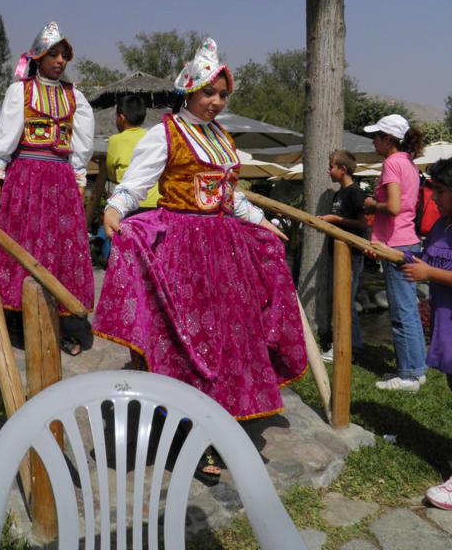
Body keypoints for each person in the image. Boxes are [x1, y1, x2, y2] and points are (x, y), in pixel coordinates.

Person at [93, 38, 307, 484]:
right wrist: (114, 209)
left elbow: (230, 196)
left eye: (223, 94)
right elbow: (136, 183)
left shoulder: (223, 139)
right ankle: (188, 433)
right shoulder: (166, 133)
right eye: (209, 92)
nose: (217, 101)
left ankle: (221, 418)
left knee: (229, 338)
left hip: (225, 251)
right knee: (190, 341)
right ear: (188, 90)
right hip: (183, 252)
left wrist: (261, 222)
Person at [0, 21, 95, 356]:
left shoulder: (75, 97)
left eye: (63, 56)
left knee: (59, 247)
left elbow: (80, 145)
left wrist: (79, 179)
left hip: (61, 180)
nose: (59, 61)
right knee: (23, 243)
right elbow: (6, 136)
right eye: (52, 54)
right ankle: (17, 317)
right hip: (26, 178)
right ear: (38, 57)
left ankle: (57, 319)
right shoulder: (21, 91)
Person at [400, 158, 452, 508]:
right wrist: (394, 255)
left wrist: (429, 275)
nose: (434, 198)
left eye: (441, 191)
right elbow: (426, 257)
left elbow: (431, 270)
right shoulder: (441, 225)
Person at [363, 114, 426, 391]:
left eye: (376, 136)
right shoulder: (408, 163)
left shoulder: (391, 163)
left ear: (389, 139)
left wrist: (370, 205)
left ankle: (409, 375)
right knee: (409, 308)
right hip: (408, 240)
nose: (373, 141)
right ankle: (416, 369)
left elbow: (393, 207)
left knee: (401, 311)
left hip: (395, 243)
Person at [318, 150, 368, 361]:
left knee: (345, 301)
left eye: (331, 167)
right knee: (339, 299)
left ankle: (350, 347)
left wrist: (336, 220)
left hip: (351, 255)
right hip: (337, 254)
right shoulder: (339, 194)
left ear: (343, 169)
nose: (328, 171)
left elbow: (362, 224)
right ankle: (344, 343)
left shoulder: (354, 193)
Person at [106, 94, 160, 211]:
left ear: (121, 117)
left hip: (130, 202)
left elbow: (111, 172)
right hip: (156, 201)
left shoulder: (115, 140)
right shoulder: (151, 136)